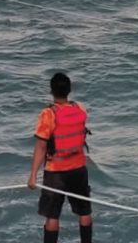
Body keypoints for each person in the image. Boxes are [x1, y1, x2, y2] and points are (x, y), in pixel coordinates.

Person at [28, 73, 92, 243]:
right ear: (69, 90)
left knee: (52, 216)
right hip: (79, 169)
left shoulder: (48, 114)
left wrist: (33, 175)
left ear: (51, 91)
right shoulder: (81, 108)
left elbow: (41, 146)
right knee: (85, 212)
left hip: (56, 172)